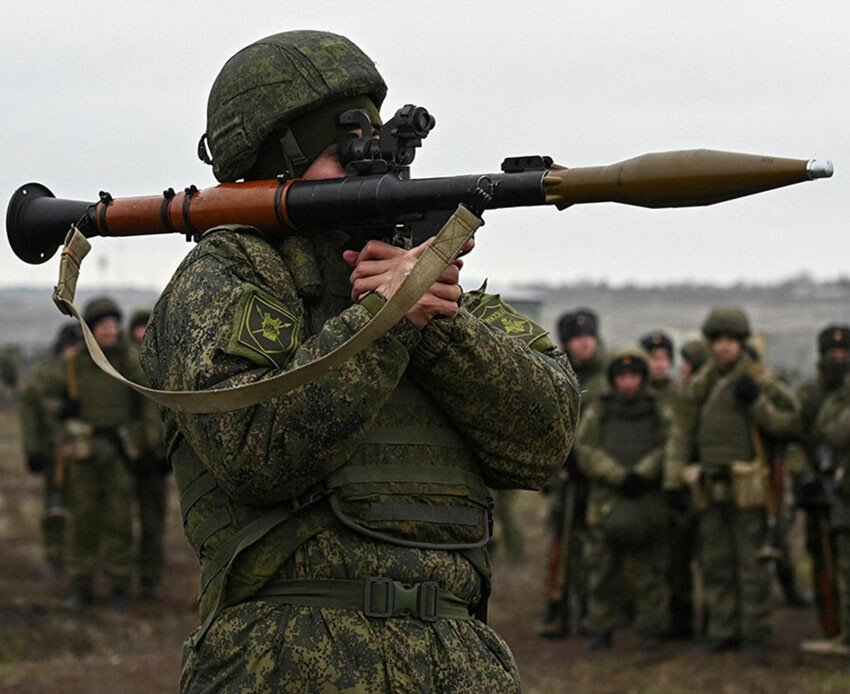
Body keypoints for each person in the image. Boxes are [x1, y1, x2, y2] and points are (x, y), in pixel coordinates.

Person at [139, 30, 579, 693]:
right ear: (274, 164)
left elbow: (543, 441)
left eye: (375, 148)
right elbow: (252, 448)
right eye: (341, 153)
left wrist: (435, 321)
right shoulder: (229, 274)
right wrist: (386, 318)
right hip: (284, 660)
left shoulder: (437, 290)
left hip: (459, 660)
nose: (371, 172)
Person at [665, 306, 800, 654]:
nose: (724, 347)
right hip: (709, 485)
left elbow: (790, 423)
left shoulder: (761, 381)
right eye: (718, 340)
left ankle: (754, 632)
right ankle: (722, 630)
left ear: (741, 342)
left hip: (750, 488)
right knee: (716, 563)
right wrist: (674, 481)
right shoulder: (700, 385)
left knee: (752, 565)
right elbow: (681, 434)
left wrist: (756, 404)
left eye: (730, 340)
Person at [45, 297, 150, 611]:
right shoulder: (74, 364)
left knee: (120, 522)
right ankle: (81, 585)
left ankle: (119, 586)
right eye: (103, 325)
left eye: (114, 324)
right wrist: (62, 408)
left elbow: (148, 403)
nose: (111, 330)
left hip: (119, 452)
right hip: (83, 453)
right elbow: (45, 399)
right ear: (90, 329)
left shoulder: (129, 361)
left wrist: (148, 443)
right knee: (82, 521)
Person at [577, 345, 670, 651]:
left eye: (634, 375)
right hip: (607, 503)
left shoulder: (658, 410)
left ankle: (650, 632)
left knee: (650, 574)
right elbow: (586, 449)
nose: (628, 382)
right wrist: (619, 476)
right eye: (622, 376)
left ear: (643, 377)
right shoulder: (600, 410)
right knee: (602, 573)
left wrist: (643, 473)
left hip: (648, 503)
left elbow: (670, 446)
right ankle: (599, 629)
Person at [539, 308, 605, 639]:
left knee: (595, 547)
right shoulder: (556, 375)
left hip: (598, 478)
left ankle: (594, 612)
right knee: (560, 544)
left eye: (589, 336)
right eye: (577, 338)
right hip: (565, 478)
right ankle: (558, 608)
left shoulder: (606, 379)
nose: (585, 343)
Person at [796, 325, 850, 651]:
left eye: (844, 354)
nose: (839, 360)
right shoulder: (809, 395)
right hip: (820, 486)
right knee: (823, 560)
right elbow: (797, 438)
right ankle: (832, 628)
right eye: (833, 354)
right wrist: (804, 475)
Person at [19, 322, 81, 576]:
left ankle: (81, 557)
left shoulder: (90, 373)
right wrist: (33, 451)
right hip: (53, 451)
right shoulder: (45, 376)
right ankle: (54, 554)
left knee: (84, 507)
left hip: (83, 451)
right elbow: (32, 414)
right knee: (54, 505)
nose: (72, 351)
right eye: (69, 346)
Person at [664, 337, 708, 640]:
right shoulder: (681, 396)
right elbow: (676, 442)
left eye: (690, 365)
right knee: (677, 560)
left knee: (710, 561)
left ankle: (714, 621)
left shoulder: (709, 398)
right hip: (683, 488)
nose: (684, 370)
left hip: (707, 488)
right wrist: (673, 484)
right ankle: (681, 620)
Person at [128, 308, 169, 599]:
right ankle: (117, 576)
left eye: (147, 327)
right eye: (138, 328)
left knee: (153, 521)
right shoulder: (122, 364)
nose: (142, 333)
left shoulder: (167, 361)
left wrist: (164, 450)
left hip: (157, 456)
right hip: (128, 455)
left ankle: (150, 578)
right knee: (117, 520)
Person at [639, 331, 675, 403]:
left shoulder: (679, 392)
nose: (659, 365)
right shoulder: (636, 393)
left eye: (664, 358)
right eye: (654, 358)